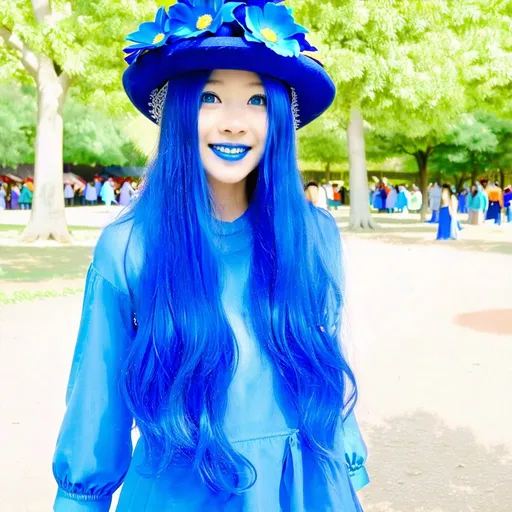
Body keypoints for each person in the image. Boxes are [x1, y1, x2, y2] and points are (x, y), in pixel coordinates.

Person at [52, 3, 368, 512]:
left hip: (301, 491)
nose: (235, 123)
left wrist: (348, 462)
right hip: (181, 491)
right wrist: (80, 498)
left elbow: (320, 363)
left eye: (258, 100)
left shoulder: (314, 236)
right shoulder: (131, 247)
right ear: (178, 109)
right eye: (211, 96)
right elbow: (98, 400)